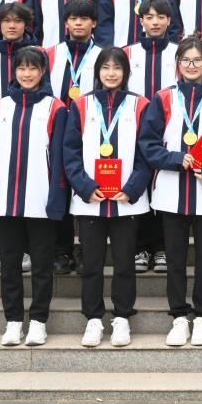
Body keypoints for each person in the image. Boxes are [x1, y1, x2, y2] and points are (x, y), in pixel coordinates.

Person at [139, 36, 202, 347]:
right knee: (175, 258)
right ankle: (179, 316)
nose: (192, 65)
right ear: (177, 64)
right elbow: (147, 144)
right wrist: (174, 158)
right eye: (186, 60)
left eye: (197, 60)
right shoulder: (162, 98)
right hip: (171, 192)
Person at [0, 47, 68, 347]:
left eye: (33, 68)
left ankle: (39, 321)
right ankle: (14, 321)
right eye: (21, 68)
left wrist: (56, 199)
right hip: (6, 202)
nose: (27, 74)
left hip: (40, 200)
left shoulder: (56, 108)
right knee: (10, 265)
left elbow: (59, 159)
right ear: (14, 71)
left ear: (43, 72)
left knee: (42, 265)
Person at [63, 47, 152, 348]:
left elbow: (146, 152)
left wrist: (134, 187)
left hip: (127, 200)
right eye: (106, 67)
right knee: (91, 263)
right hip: (90, 201)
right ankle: (93, 318)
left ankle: (123, 317)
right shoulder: (80, 105)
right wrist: (85, 186)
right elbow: (70, 151)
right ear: (97, 71)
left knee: (125, 262)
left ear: (126, 72)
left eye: (117, 68)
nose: (111, 73)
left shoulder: (141, 105)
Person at [45, 0, 103, 276]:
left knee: (87, 185)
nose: (78, 23)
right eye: (73, 18)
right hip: (56, 131)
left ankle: (87, 250)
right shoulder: (49, 55)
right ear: (65, 23)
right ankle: (62, 250)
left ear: (94, 23)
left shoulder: (104, 55)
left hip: (91, 131)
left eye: (84, 18)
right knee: (60, 187)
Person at [123, 0, 180, 275]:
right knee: (140, 187)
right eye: (149, 17)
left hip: (170, 132)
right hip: (132, 131)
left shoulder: (180, 52)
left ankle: (162, 249)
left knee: (165, 189)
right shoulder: (126, 53)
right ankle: (141, 247)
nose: (155, 22)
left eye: (160, 17)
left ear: (169, 21)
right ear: (141, 21)